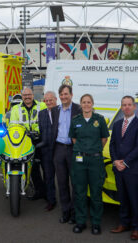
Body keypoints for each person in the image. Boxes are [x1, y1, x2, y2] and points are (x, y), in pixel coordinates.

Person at [69, 93, 109, 235]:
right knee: (79, 192)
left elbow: (104, 138)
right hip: (79, 160)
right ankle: (80, 222)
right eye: (84, 102)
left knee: (96, 193)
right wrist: (83, 150)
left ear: (92, 104)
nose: (86, 105)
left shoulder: (99, 119)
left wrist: (93, 150)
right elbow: (74, 138)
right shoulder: (76, 120)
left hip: (95, 160)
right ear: (81, 105)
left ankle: (96, 223)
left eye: (88, 102)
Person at [109, 96, 138, 241]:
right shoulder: (117, 124)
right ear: (121, 107)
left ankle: (137, 227)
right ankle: (124, 223)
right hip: (118, 168)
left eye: (129, 105)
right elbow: (112, 145)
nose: (126, 107)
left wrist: (124, 162)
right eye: (124, 105)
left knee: (134, 198)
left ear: (134, 106)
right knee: (122, 197)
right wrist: (115, 161)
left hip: (132, 168)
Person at [9, 87, 47, 200]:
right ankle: (39, 191)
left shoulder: (42, 106)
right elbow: (12, 126)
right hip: (25, 141)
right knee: (33, 168)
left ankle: (49, 193)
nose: (27, 97)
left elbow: (48, 122)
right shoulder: (16, 109)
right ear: (22, 96)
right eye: (25, 95)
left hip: (41, 140)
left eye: (29, 94)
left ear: (33, 95)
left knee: (47, 168)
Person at [53, 84, 81, 224]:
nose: (64, 97)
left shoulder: (78, 109)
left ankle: (75, 214)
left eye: (66, 94)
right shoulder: (55, 110)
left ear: (71, 95)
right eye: (61, 94)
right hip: (59, 149)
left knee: (75, 183)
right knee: (62, 183)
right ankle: (65, 213)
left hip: (73, 149)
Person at [37, 91, 58, 211]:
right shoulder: (41, 114)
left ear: (56, 100)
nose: (49, 102)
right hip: (46, 150)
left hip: (59, 149)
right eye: (46, 100)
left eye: (51, 100)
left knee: (63, 178)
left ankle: (68, 201)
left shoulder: (61, 112)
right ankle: (51, 200)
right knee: (48, 176)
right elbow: (41, 131)